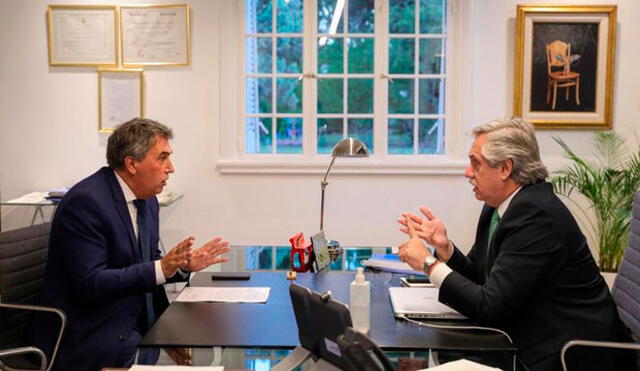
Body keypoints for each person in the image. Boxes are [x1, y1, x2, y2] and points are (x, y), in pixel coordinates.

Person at [397, 117, 634, 370]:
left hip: (569, 354)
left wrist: (428, 263)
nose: (468, 172)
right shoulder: (498, 207)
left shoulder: (537, 216)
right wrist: (445, 249)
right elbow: (483, 279)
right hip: (522, 338)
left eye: (476, 164)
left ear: (505, 168)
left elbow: (489, 307)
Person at [32, 118, 231, 371]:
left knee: (216, 338)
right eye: (162, 158)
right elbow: (91, 284)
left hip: (139, 324)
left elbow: (148, 266)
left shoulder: (146, 200)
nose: (171, 168)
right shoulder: (86, 204)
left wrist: (180, 266)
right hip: (94, 336)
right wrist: (161, 268)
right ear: (131, 163)